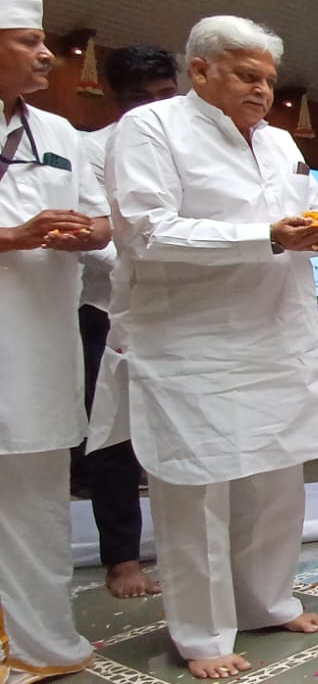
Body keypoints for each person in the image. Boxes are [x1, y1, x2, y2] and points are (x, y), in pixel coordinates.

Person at [98, 15, 318, 680]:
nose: (263, 90)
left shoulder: (279, 141)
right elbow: (148, 231)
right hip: (190, 342)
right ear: (199, 70)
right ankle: (202, 634)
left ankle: (266, 600)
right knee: (195, 488)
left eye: (268, 78)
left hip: (276, 335)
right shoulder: (151, 129)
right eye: (247, 75)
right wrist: (266, 235)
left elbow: (317, 207)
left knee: (276, 480)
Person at [0, 0, 108, 684]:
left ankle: (41, 640)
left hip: (40, 342)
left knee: (37, 497)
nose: (46, 55)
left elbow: (103, 225)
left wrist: (86, 232)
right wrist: (14, 236)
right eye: (28, 41)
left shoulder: (64, 133)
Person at [76, 44, 179, 600]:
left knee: (185, 428)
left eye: (165, 96)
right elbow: (97, 234)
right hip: (107, 312)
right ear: (118, 99)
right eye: (140, 99)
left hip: (184, 310)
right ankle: (121, 558)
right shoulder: (92, 149)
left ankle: (191, 546)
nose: (153, 109)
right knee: (112, 440)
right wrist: (163, 265)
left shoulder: (189, 144)